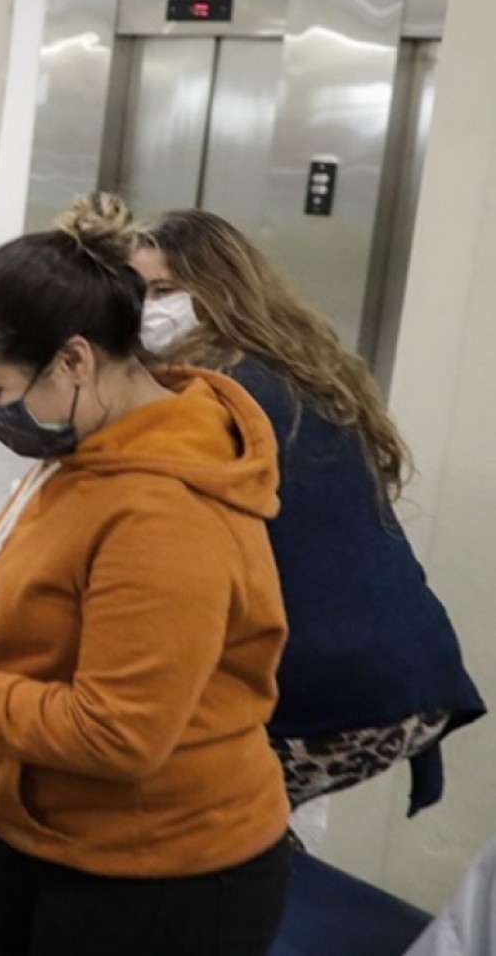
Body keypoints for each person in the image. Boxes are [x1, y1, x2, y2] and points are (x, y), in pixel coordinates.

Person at [0, 195, 293, 956]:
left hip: (165, 873)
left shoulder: (162, 514)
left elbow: (115, 734)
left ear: (75, 359)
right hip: (61, 834)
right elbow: (40, 594)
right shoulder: (89, 447)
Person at [132, 206, 483, 813]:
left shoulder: (214, 393)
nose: (146, 309)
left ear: (219, 289)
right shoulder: (297, 367)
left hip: (338, 698)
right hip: (411, 671)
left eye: (164, 291)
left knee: (150, 797)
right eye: (134, 293)